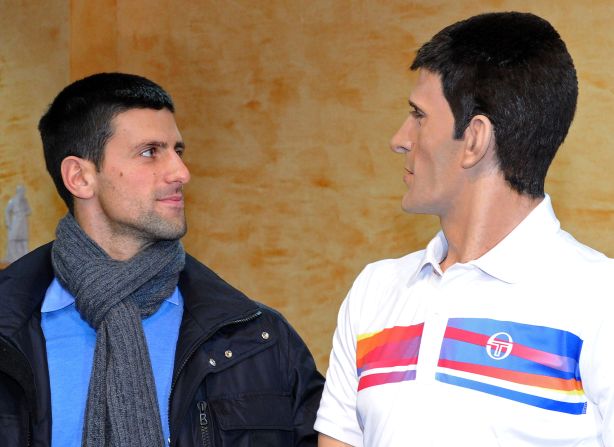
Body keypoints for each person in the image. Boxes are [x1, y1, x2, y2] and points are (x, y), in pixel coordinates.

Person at [315, 12, 614, 447]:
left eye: (418, 115)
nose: (399, 139)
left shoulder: (600, 299)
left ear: (474, 138)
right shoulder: (374, 291)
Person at [0, 72, 324, 447]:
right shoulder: (10, 329)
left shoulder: (258, 339)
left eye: (178, 151)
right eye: (150, 152)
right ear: (80, 177)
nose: (181, 173)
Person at [4, 184, 31, 262]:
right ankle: (12, 255)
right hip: (16, 220)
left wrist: (25, 212)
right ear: (18, 191)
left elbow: (29, 210)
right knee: (13, 237)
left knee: (24, 237)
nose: (23, 193)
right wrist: (8, 222)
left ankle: (25, 254)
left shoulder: (25, 200)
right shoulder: (12, 200)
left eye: (23, 191)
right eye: (22, 191)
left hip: (23, 220)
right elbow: (7, 211)